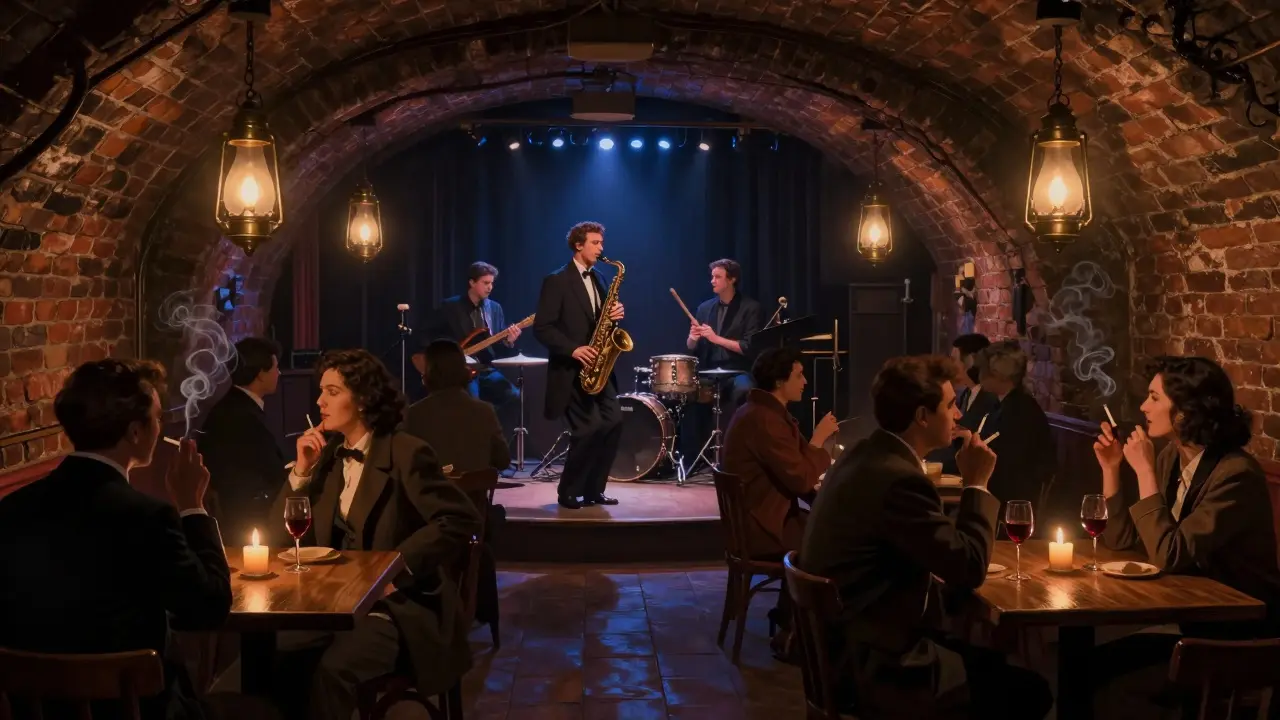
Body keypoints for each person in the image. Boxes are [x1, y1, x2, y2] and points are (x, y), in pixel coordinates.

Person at [800, 355, 1053, 719]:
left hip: (846, 650)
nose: (959, 416)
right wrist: (977, 483)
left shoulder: (864, 454)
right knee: (1030, 691)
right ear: (922, 416)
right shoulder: (899, 479)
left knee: (988, 660)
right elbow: (968, 568)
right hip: (880, 669)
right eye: (950, 406)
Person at [0, 360, 233, 720]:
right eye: (156, 418)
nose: (161, 428)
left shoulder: (11, 509)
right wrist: (192, 506)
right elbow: (209, 608)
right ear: (135, 432)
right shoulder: (147, 517)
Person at [271, 349, 481, 720]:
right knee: (269, 655)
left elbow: (459, 519)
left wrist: (394, 566)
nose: (319, 401)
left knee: (333, 672)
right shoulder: (329, 456)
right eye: (321, 391)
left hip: (397, 607)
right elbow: (278, 533)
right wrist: (302, 472)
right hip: (333, 606)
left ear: (364, 399)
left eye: (332, 392)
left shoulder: (406, 453)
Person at [1092, 356, 1280, 688]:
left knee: (1097, 668)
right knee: (1088, 663)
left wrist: (1145, 472)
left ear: (1184, 411)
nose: (1143, 407)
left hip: (1237, 634)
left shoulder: (1236, 474)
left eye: (1154, 398)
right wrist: (1111, 469)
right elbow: (1121, 540)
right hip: (1187, 616)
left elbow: (1169, 555)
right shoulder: (1171, 457)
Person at [722, 346, 837, 649]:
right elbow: (800, 478)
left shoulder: (765, 413)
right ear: (779, 381)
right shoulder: (764, 419)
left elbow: (798, 467)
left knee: (824, 531)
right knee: (829, 544)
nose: (805, 382)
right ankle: (798, 632)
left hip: (759, 519)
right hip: (759, 529)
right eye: (798, 376)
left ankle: (792, 621)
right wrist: (819, 440)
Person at [533, 221, 625, 510]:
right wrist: (573, 349)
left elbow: (599, 322)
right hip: (572, 370)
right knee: (588, 428)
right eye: (595, 243)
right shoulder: (556, 280)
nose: (601, 248)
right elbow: (542, 328)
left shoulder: (599, 278)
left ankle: (594, 490)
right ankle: (568, 490)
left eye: (601, 243)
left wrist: (615, 315)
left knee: (613, 422)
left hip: (600, 367)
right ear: (578, 245)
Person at [198, 336, 284, 544]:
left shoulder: (234, 406)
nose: (279, 373)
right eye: (275, 367)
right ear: (261, 374)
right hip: (246, 518)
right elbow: (268, 471)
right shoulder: (240, 415)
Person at [682, 258, 763, 462]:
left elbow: (748, 347)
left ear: (732, 279)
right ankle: (694, 457)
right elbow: (691, 347)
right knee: (684, 394)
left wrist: (715, 338)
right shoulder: (704, 308)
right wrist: (693, 337)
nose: (712, 281)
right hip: (710, 371)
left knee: (744, 390)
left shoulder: (750, 308)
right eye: (712, 276)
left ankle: (737, 453)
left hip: (737, 370)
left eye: (717, 277)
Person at [424, 261, 522, 410]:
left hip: (486, 369)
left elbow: (499, 350)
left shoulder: (495, 308)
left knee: (514, 395)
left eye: (492, 283)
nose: (490, 287)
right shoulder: (451, 307)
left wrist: (509, 341)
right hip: (461, 370)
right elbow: (433, 338)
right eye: (486, 283)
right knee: (471, 404)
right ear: (472, 282)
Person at [405, 339, 510, 475]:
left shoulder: (414, 414)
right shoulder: (485, 411)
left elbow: (405, 466)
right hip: (473, 495)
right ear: (465, 370)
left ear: (427, 374)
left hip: (431, 495)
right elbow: (503, 461)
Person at [974, 340, 1054, 510]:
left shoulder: (1020, 411)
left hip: (1014, 505)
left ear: (999, 374)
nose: (979, 374)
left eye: (984, 370)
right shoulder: (1004, 404)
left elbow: (1009, 469)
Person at [931, 333, 998, 473]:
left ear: (971, 361)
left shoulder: (991, 399)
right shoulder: (967, 394)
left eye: (954, 359)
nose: (950, 365)